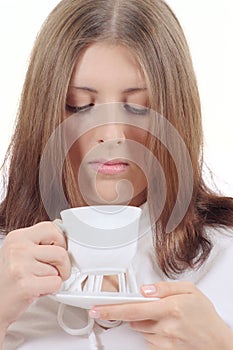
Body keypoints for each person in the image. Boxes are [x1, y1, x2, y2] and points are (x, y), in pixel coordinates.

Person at [0, 0, 233, 349]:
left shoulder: (224, 255)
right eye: (80, 106)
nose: (112, 132)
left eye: (138, 107)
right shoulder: (7, 259)